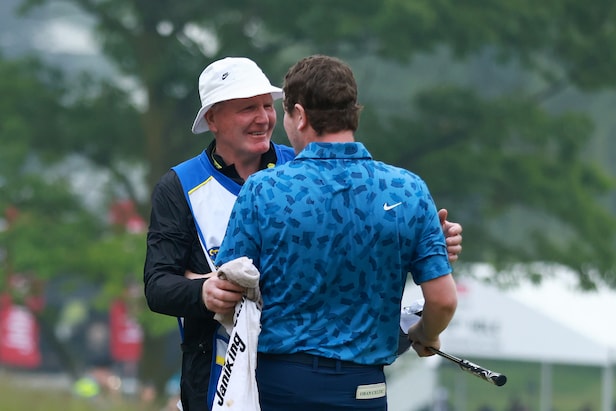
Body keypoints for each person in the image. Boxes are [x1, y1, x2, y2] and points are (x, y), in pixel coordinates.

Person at [144, 56, 462, 411]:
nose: (263, 118)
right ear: (212, 118)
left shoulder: (291, 170)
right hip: (214, 378)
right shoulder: (180, 186)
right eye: (247, 108)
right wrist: (202, 289)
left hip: (277, 381)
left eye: (268, 105)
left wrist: (429, 244)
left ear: (297, 114)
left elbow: (357, 243)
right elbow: (157, 286)